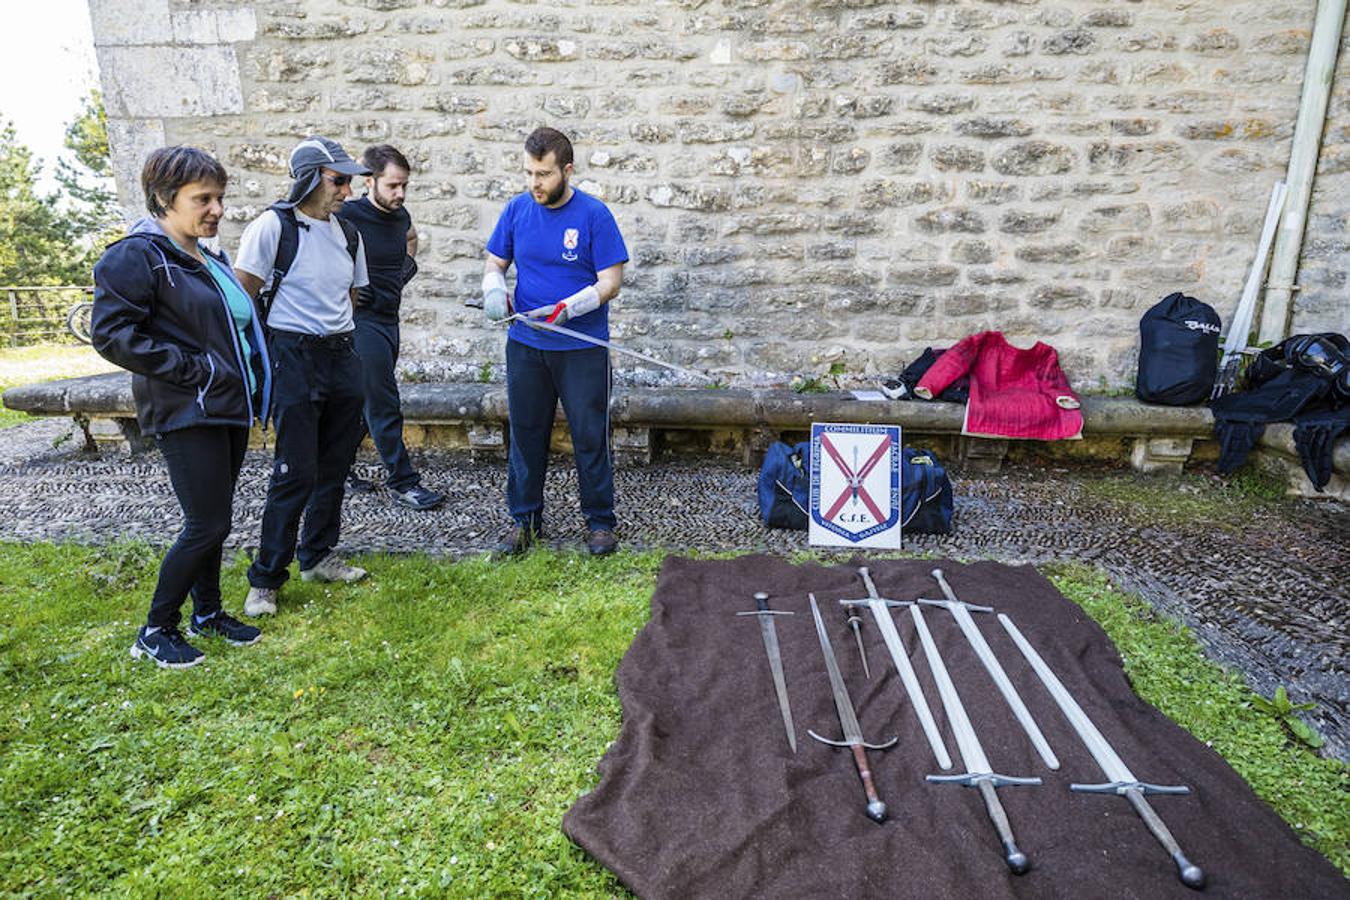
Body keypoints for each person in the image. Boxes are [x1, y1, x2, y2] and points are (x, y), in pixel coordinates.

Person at [91, 146, 270, 668]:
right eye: (203, 199)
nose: (216, 209)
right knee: (205, 523)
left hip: (224, 406)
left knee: (217, 518)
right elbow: (111, 333)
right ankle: (154, 629)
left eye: (219, 197)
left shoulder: (204, 258)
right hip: (186, 406)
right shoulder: (138, 256)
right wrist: (192, 368)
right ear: (165, 198)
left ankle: (208, 614)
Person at [232, 136, 372, 617]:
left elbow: (353, 296)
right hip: (293, 355)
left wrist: (336, 336)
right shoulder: (272, 227)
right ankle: (267, 578)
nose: (347, 191)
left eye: (349, 181)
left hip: (342, 354)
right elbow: (242, 293)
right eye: (339, 180)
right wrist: (268, 354)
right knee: (295, 471)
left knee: (335, 464)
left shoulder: (348, 233)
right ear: (310, 179)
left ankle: (317, 556)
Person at [482, 126, 629, 557]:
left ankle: (600, 523)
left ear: (566, 170)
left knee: (589, 435)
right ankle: (524, 522)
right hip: (526, 344)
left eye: (543, 174)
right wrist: (493, 288)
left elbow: (611, 282)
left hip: (581, 346)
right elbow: (495, 261)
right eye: (529, 173)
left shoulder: (594, 215)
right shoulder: (516, 210)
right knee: (526, 434)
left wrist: (570, 307)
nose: (535, 183)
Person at [335, 144, 446, 510]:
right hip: (360, 323)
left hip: (389, 320)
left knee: (362, 404)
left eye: (404, 186)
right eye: (393, 186)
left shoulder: (400, 216)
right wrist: (345, 287)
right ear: (369, 181)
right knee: (384, 402)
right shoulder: (346, 215)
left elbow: (411, 237)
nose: (400, 194)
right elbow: (314, 252)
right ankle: (403, 482)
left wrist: (405, 271)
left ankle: (335, 470)